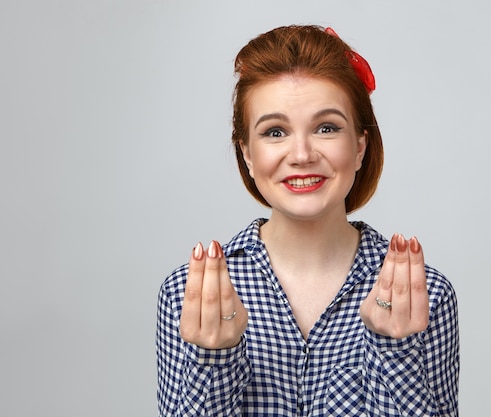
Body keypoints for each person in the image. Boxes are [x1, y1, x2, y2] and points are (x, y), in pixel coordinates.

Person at [156, 25, 459, 416]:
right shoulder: (187, 295)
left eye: (326, 128)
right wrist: (215, 361)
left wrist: (395, 352)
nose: (301, 154)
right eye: (275, 131)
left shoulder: (426, 296)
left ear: (360, 146)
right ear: (246, 152)